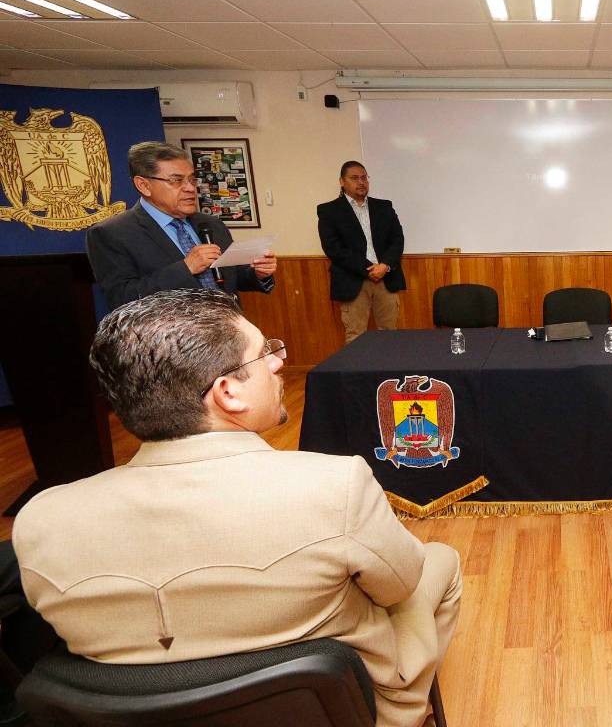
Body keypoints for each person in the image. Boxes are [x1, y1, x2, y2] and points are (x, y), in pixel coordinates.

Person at [12, 289, 460, 727]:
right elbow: (399, 586)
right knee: (441, 560)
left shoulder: (42, 518)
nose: (279, 362)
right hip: (329, 710)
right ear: (228, 393)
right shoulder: (335, 485)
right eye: (265, 353)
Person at [86, 141, 277, 309]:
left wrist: (257, 273)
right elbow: (122, 299)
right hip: (172, 337)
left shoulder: (211, 224)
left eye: (192, 179)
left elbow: (231, 277)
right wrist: (186, 268)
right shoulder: (111, 233)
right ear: (143, 185)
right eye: (176, 181)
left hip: (229, 330)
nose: (190, 188)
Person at [317, 161, 406, 344]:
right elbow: (333, 248)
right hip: (353, 280)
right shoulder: (329, 211)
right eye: (354, 178)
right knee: (356, 336)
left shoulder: (384, 207)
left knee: (389, 334)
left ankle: (387, 365)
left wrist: (384, 266)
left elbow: (397, 239)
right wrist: (368, 269)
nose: (361, 182)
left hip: (385, 277)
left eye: (364, 178)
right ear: (342, 182)